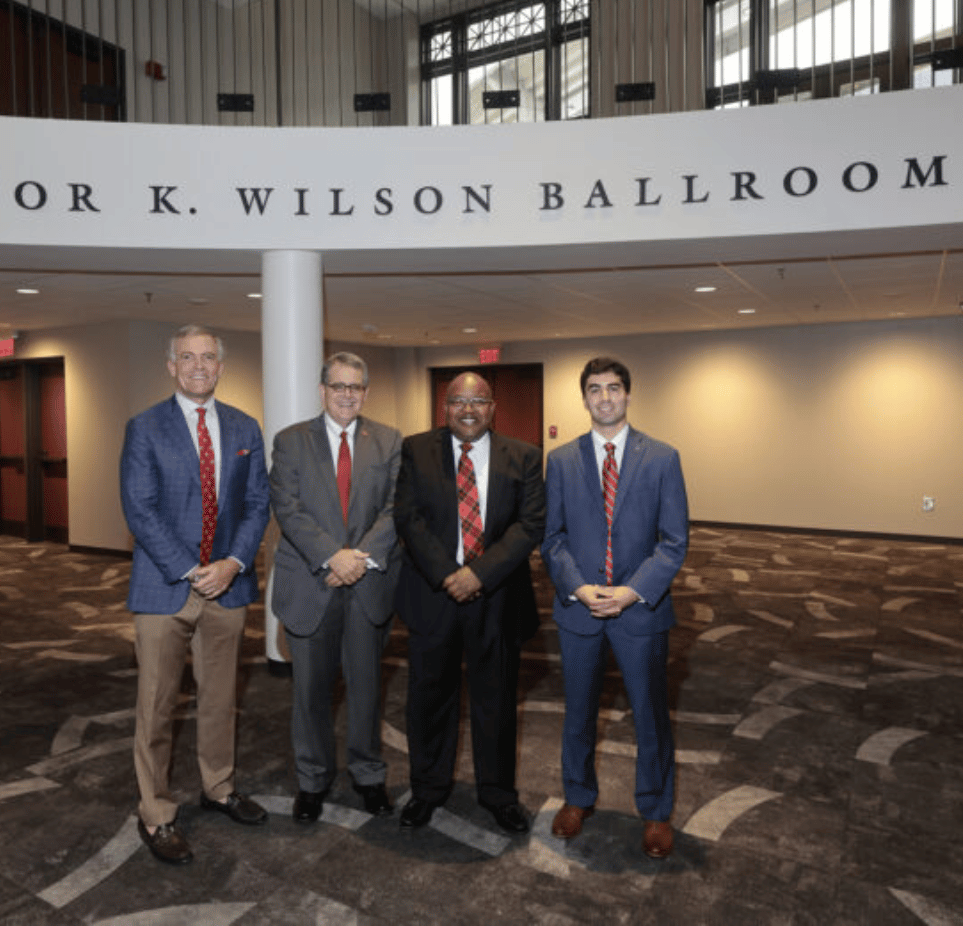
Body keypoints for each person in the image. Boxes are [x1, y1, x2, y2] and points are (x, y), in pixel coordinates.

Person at [120, 325, 272, 865]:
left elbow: (257, 505)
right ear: (171, 365)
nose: (199, 366)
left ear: (221, 366)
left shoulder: (243, 426)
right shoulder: (145, 428)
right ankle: (156, 813)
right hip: (164, 590)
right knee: (157, 707)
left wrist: (230, 565)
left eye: (208, 357)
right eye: (187, 357)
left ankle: (220, 787)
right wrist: (191, 569)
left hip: (227, 589)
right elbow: (140, 508)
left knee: (219, 700)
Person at [541, 357, 689, 858]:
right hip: (579, 608)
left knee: (649, 714)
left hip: (640, 610)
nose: (604, 397)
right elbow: (553, 539)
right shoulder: (560, 461)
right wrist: (580, 588)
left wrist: (631, 592)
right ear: (584, 398)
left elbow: (673, 542)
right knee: (578, 713)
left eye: (613, 388)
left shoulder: (662, 458)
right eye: (594, 389)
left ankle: (655, 811)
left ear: (628, 395)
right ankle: (577, 797)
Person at [393, 371, 545, 834]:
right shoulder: (415, 450)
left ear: (492, 408)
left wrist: (478, 574)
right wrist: (448, 575)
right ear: (445, 408)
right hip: (433, 595)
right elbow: (408, 517)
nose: (467, 409)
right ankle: (427, 790)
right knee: (428, 699)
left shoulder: (524, 456)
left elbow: (530, 524)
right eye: (458, 400)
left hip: (497, 596)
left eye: (478, 401)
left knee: (495, 701)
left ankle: (498, 794)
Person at [269, 352, 403, 824]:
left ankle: (368, 776)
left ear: (365, 392)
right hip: (311, 583)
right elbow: (287, 507)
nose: (347, 395)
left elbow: (394, 507)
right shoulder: (290, 442)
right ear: (322, 389)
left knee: (366, 690)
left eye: (356, 387)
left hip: (367, 586)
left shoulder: (387, 440)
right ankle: (312, 780)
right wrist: (333, 555)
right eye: (338, 386)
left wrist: (358, 559)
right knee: (309, 693)